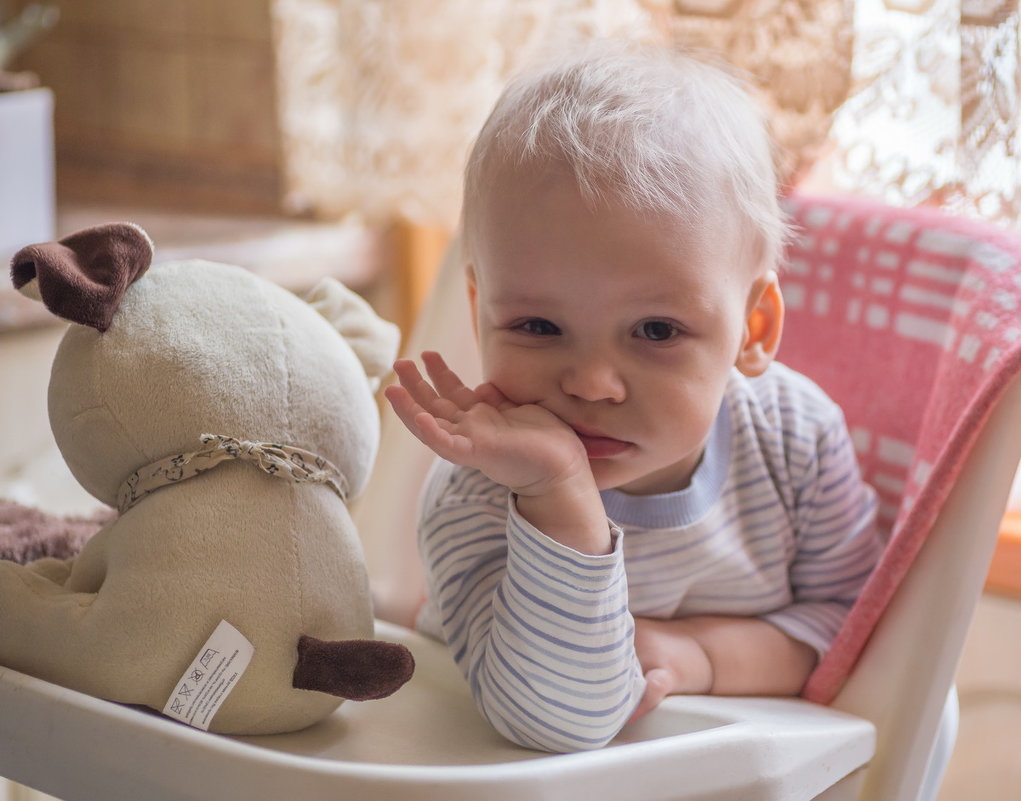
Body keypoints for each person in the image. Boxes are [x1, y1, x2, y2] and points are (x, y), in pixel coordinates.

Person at [384, 40, 881, 753]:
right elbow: (551, 721)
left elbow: (855, 631)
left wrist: (698, 656)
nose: (590, 382)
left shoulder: (795, 440)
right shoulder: (479, 490)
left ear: (753, 327)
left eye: (655, 329)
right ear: (478, 310)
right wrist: (556, 496)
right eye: (537, 325)